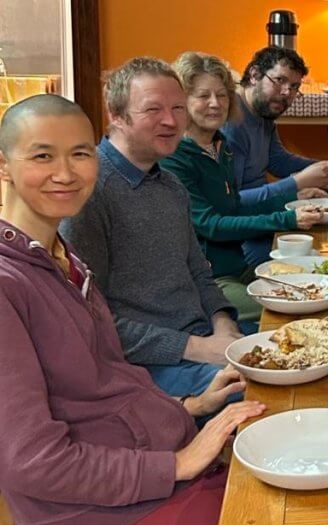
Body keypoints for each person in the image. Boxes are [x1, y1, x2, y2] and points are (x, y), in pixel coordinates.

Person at [0, 93, 328, 525]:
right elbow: (34, 464)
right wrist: (179, 463)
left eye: (79, 153)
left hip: (155, 462)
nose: (65, 172)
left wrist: (189, 407)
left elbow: (105, 386)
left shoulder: (63, 260)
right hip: (101, 521)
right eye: (42, 155)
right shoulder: (10, 284)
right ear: (4, 165)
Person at [60, 57, 244, 400]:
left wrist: (224, 325)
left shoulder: (171, 185)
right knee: (267, 397)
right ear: (116, 115)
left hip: (203, 338)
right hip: (147, 366)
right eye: (153, 109)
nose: (171, 121)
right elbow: (88, 318)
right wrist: (197, 348)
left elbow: (198, 273)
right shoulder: (87, 193)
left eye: (178, 108)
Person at [161, 52, 324, 322]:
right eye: (203, 96)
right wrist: (286, 218)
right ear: (181, 101)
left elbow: (234, 204)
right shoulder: (175, 156)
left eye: (222, 95)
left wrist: (292, 201)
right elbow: (211, 225)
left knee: (317, 285)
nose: (215, 104)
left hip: (237, 268)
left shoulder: (219, 145)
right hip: (206, 281)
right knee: (297, 311)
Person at [221, 46, 328, 266]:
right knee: (318, 255)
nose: (287, 92)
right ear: (255, 75)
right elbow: (232, 203)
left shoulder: (264, 112)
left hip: (264, 216)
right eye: (279, 80)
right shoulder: (232, 123)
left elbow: (278, 160)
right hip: (242, 236)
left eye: (294, 87)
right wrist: (296, 184)